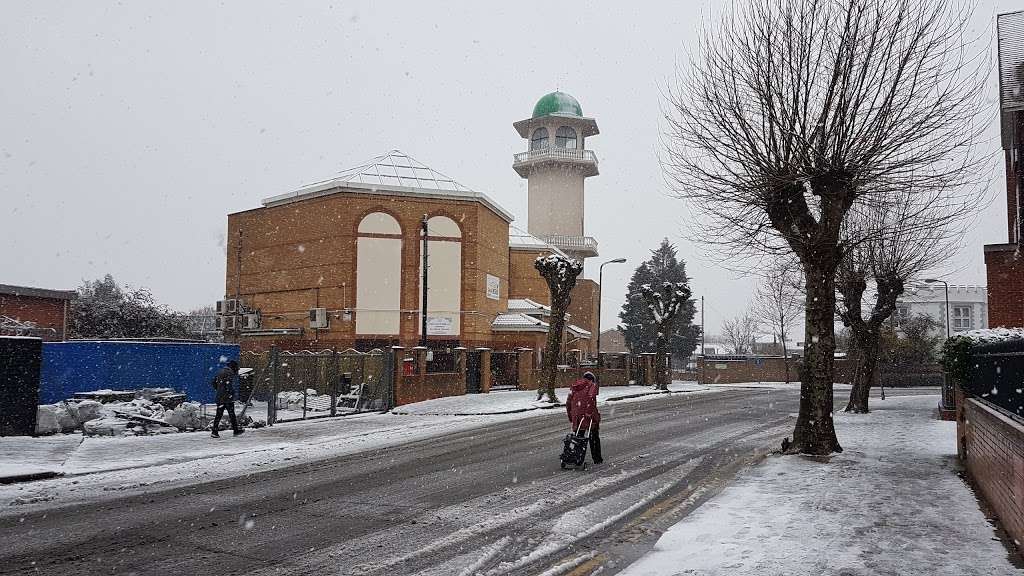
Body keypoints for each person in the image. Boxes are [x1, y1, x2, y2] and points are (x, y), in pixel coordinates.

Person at [566, 371, 602, 464]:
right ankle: (597, 458)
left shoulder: (575, 387)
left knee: (579, 438)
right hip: (588, 416)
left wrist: (571, 417)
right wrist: (589, 413)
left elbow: (568, 403)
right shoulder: (592, 385)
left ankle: (577, 458)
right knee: (594, 437)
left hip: (577, 416)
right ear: (592, 380)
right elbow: (591, 399)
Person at [211, 360, 245, 438]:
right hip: (227, 398)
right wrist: (231, 393)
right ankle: (235, 431)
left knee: (218, 415)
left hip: (220, 397)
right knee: (232, 414)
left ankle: (214, 431)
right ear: (233, 367)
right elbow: (228, 385)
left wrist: (219, 389)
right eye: (236, 368)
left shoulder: (221, 371)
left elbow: (213, 382)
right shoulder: (229, 373)